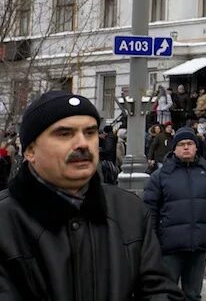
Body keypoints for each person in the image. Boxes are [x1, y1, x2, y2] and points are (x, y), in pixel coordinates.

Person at [0, 90, 182, 299]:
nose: (82, 143)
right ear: (30, 150)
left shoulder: (129, 211)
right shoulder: (6, 220)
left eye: (90, 132)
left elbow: (160, 290)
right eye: (64, 133)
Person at [142, 127, 206, 301]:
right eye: (181, 144)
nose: (186, 147)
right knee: (165, 295)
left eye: (190, 143)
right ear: (174, 148)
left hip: (198, 247)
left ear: (196, 147)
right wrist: (152, 243)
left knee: (193, 295)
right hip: (169, 248)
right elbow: (150, 212)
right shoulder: (160, 176)